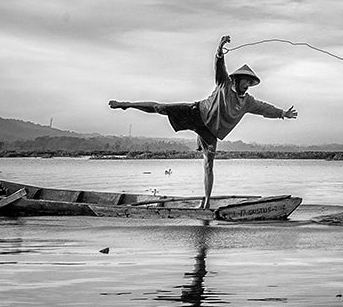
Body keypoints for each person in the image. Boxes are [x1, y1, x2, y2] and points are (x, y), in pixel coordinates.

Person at [109, 35, 297, 208]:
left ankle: (206, 203)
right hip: (197, 112)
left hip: (210, 132)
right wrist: (219, 51)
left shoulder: (248, 102)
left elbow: (265, 109)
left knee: (208, 164)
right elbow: (220, 68)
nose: (247, 85)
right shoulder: (224, 84)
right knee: (161, 108)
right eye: (245, 81)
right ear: (237, 81)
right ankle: (126, 104)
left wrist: (283, 114)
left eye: (250, 82)